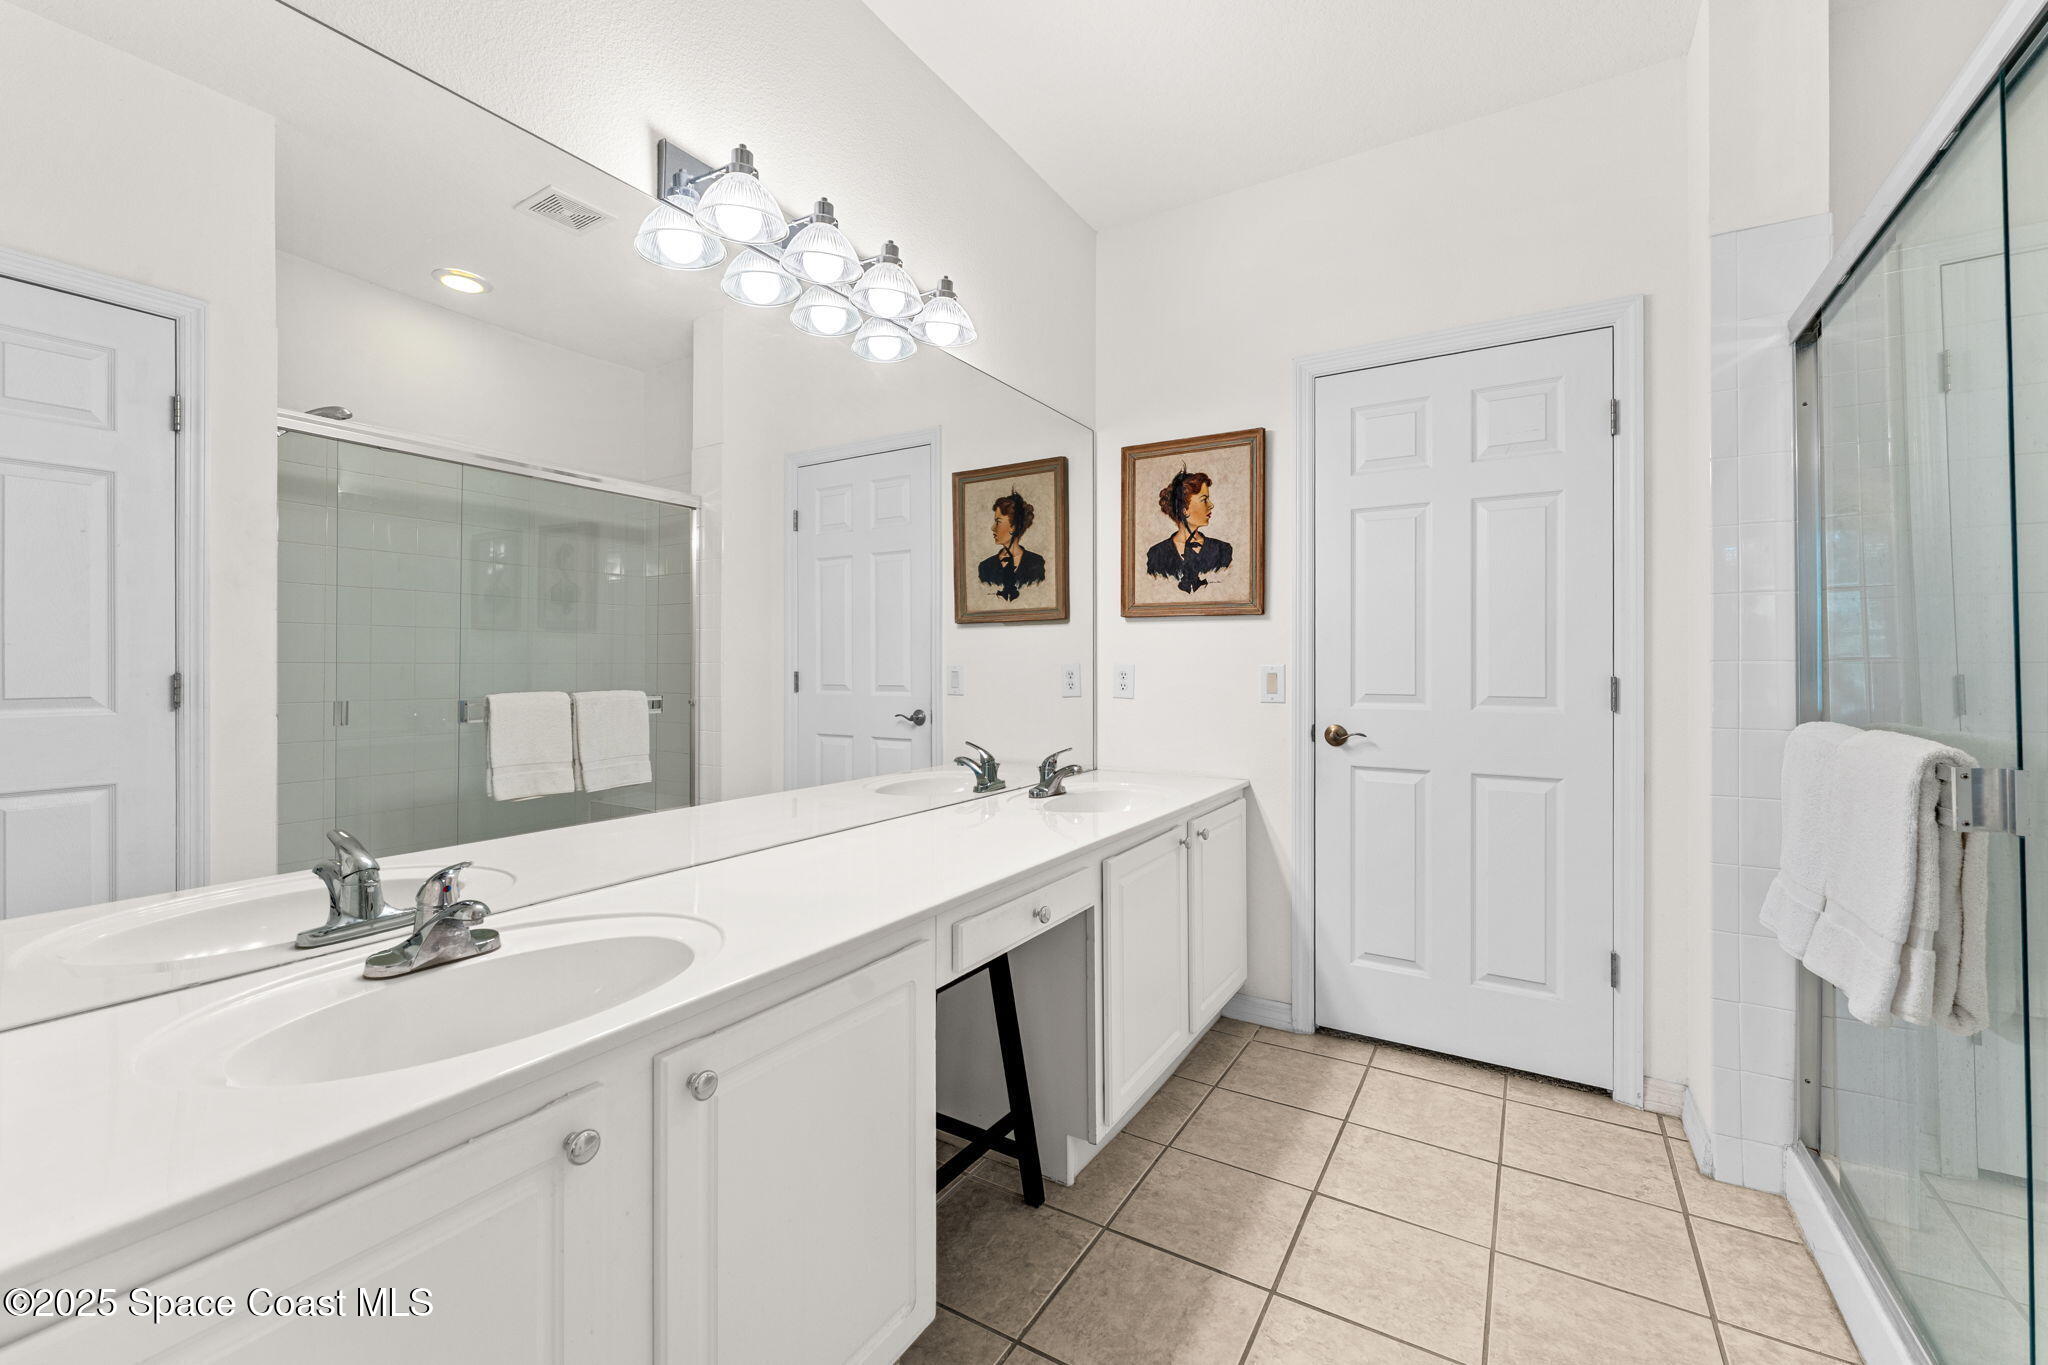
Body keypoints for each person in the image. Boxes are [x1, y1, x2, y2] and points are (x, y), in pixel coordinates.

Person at [1145, 466, 1232, 594]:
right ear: (1184, 510)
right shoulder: (1156, 554)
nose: (1211, 505)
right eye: (1204, 500)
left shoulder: (1222, 550)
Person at [977, 488, 1046, 603]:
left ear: (1013, 527)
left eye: (998, 522)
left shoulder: (1036, 563)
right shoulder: (985, 567)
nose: (992, 528)